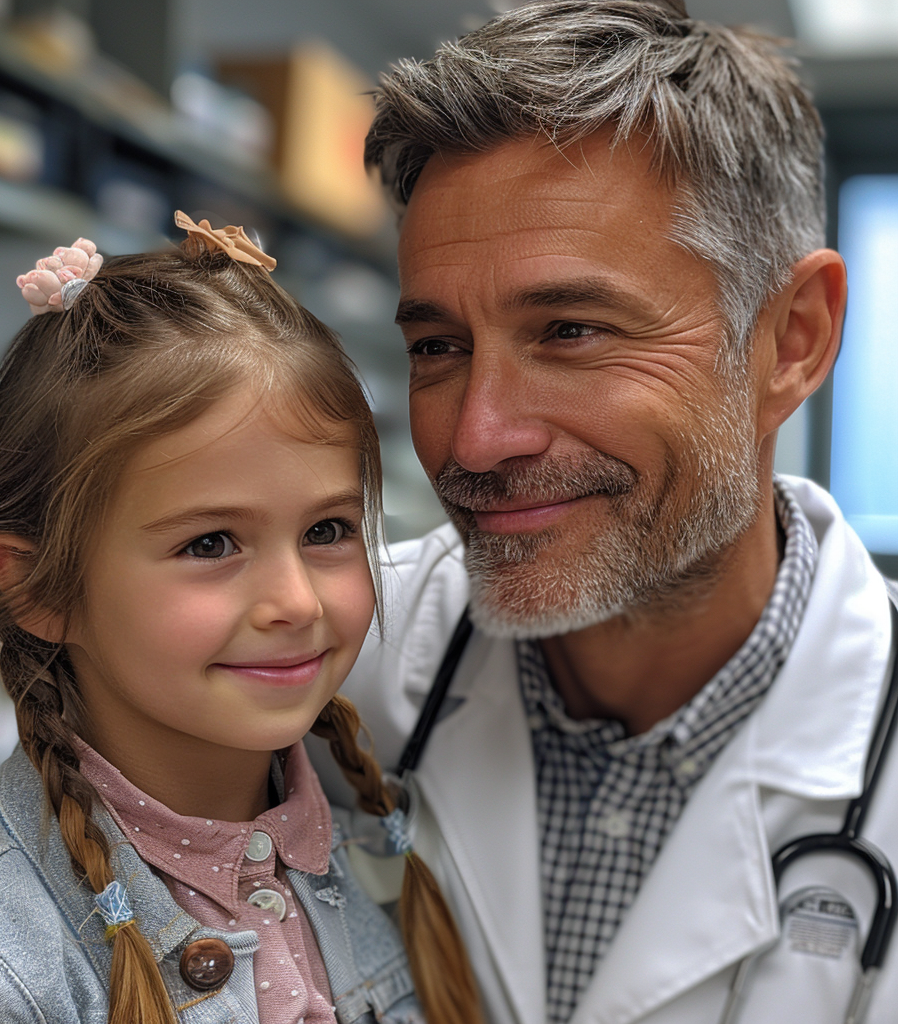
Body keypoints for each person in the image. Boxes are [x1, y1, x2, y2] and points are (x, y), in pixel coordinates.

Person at [305, 2, 898, 1024]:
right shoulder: (318, 665)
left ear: (791, 339)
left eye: (570, 330)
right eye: (438, 347)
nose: (475, 439)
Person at [0, 221, 483, 1024]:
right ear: (41, 588)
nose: (296, 602)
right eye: (210, 543)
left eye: (328, 531)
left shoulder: (376, 842)